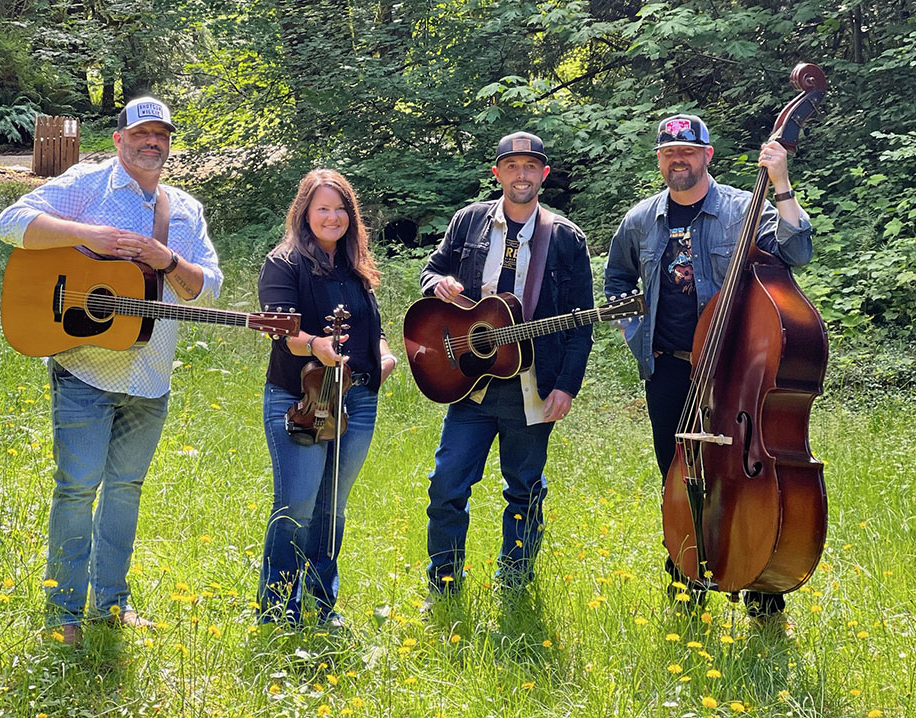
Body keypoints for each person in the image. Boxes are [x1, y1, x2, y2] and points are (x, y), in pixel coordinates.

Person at [0, 96, 223, 645]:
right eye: (142, 133)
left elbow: (210, 288)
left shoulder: (185, 210)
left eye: (162, 135)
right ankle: (64, 614)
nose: (153, 143)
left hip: (151, 375)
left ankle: (110, 603)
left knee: (126, 489)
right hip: (84, 370)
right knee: (77, 489)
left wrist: (164, 259)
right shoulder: (87, 185)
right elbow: (11, 221)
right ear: (119, 139)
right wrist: (85, 235)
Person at [603, 114, 813, 623]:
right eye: (670, 153)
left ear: (707, 156)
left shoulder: (745, 208)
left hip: (738, 375)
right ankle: (686, 591)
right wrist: (640, 342)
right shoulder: (639, 220)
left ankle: (763, 594)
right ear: (659, 159)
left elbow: (798, 250)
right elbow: (617, 283)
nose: (680, 160)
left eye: (689, 152)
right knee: (678, 478)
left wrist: (781, 182)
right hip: (671, 373)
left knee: (751, 480)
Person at [419, 132, 594, 602]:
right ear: (497, 173)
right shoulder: (469, 221)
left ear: (544, 175)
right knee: (447, 484)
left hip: (532, 387)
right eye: (512, 166)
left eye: (530, 167)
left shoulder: (565, 238)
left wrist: (567, 387)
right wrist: (438, 284)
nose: (522, 175)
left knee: (524, 490)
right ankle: (444, 584)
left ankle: (513, 584)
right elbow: (430, 272)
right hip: (469, 384)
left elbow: (582, 324)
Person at [256, 169, 397, 626]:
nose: (332, 217)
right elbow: (285, 333)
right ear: (305, 213)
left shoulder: (355, 266)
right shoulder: (284, 262)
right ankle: (278, 609)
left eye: (340, 209)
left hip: (357, 400)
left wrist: (384, 354)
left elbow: (369, 330)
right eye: (323, 208)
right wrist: (316, 344)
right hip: (304, 396)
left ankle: (320, 604)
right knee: (297, 502)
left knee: (331, 504)